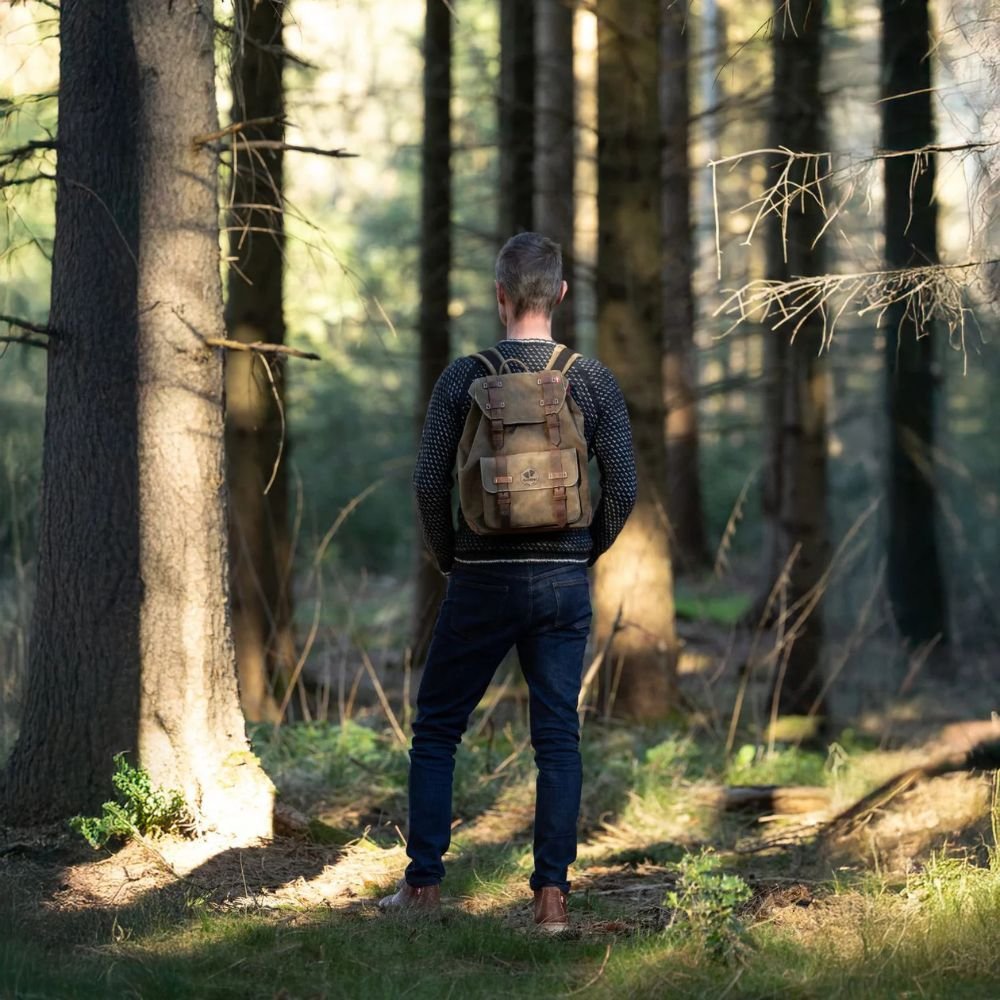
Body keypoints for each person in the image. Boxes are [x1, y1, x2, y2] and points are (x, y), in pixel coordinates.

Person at [379, 232, 637, 931]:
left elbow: (429, 482)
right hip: (561, 582)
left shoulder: (462, 378)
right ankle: (551, 897)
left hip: (480, 579)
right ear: (560, 294)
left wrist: (450, 558)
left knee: (438, 729)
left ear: (500, 296)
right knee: (556, 739)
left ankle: (423, 886)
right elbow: (623, 486)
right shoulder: (590, 378)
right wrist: (582, 552)